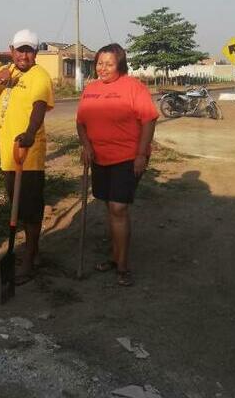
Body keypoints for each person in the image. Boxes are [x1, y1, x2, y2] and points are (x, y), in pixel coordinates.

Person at [76, 43, 158, 287]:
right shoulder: (90, 89)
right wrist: (86, 146)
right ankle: (114, 257)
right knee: (110, 209)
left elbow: (149, 120)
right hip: (99, 158)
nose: (103, 68)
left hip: (128, 158)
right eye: (100, 63)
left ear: (120, 64)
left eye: (109, 64)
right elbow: (81, 122)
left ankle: (123, 266)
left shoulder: (134, 87)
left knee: (118, 208)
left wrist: (141, 154)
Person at [0, 29, 54, 285]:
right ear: (12, 50)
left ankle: (30, 261)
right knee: (18, 208)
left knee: (31, 210)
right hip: (9, 156)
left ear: (35, 53)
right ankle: (34, 253)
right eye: (20, 50)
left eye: (29, 50)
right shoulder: (6, 73)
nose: (24, 55)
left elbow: (39, 107)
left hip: (28, 154)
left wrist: (30, 133)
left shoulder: (39, 76)